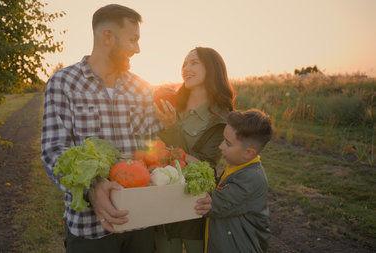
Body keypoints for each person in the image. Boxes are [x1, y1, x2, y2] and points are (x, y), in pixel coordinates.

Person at [41, 4, 212, 253]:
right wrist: (91, 188)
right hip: (90, 228)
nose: (137, 49)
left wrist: (185, 178)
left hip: (140, 224)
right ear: (108, 37)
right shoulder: (64, 83)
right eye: (133, 40)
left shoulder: (139, 86)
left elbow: (152, 148)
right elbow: (54, 151)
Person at [154, 47, 236, 253]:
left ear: (212, 69)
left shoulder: (220, 118)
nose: (186, 68)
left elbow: (204, 164)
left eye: (194, 63)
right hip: (161, 196)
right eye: (184, 64)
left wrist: (171, 129)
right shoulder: (169, 103)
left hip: (194, 202)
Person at [205, 109, 272, 253]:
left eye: (228, 144)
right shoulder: (237, 167)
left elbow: (212, 205)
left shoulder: (251, 179)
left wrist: (197, 166)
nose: (221, 146)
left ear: (248, 152)